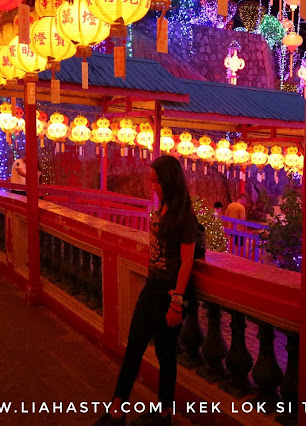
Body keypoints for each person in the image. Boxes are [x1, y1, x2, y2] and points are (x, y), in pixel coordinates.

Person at [95, 155, 198, 426]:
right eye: (151, 179)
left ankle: (164, 413)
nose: (152, 185)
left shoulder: (185, 216)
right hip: (152, 286)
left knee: (166, 354)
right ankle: (117, 409)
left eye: (156, 180)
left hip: (170, 292)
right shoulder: (162, 206)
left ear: (169, 180)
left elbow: (187, 263)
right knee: (134, 347)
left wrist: (177, 302)